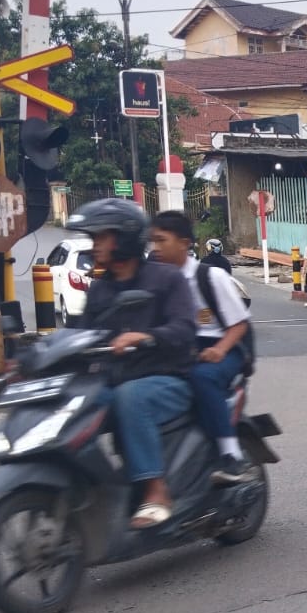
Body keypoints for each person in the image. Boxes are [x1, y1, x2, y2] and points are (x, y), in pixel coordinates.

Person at [67, 198, 198, 530]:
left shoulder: (167, 278)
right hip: (115, 380)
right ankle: (91, 490)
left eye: (101, 237)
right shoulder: (100, 289)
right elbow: (80, 334)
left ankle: (156, 491)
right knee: (74, 405)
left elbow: (185, 328)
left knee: (131, 396)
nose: (94, 246)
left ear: (124, 238)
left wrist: (144, 336)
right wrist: (31, 360)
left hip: (170, 379)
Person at [149, 211, 256, 485]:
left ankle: (231, 455)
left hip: (223, 347)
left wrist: (220, 350)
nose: (155, 247)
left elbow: (239, 324)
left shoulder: (210, 276)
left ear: (184, 243)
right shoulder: (157, 279)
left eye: (162, 240)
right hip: (181, 349)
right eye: (153, 241)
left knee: (202, 377)